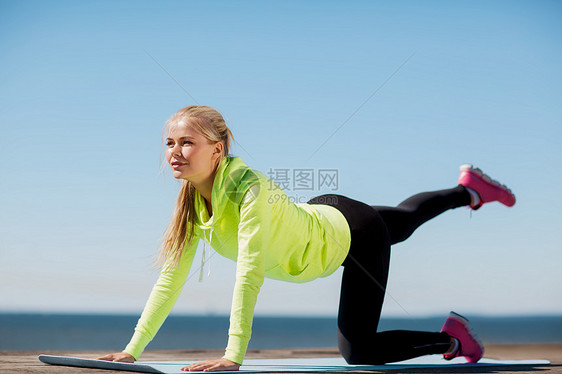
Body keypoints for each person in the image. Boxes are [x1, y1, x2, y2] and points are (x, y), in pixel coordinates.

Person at [97, 105, 516, 371]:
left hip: (351, 233)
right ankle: (470, 189)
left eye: (187, 142)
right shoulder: (190, 206)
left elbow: (249, 274)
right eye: (169, 142)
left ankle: (452, 338)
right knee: (404, 221)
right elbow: (171, 279)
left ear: (217, 151)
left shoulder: (250, 190)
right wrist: (132, 350)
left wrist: (233, 356)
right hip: (321, 215)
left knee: (359, 352)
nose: (174, 151)